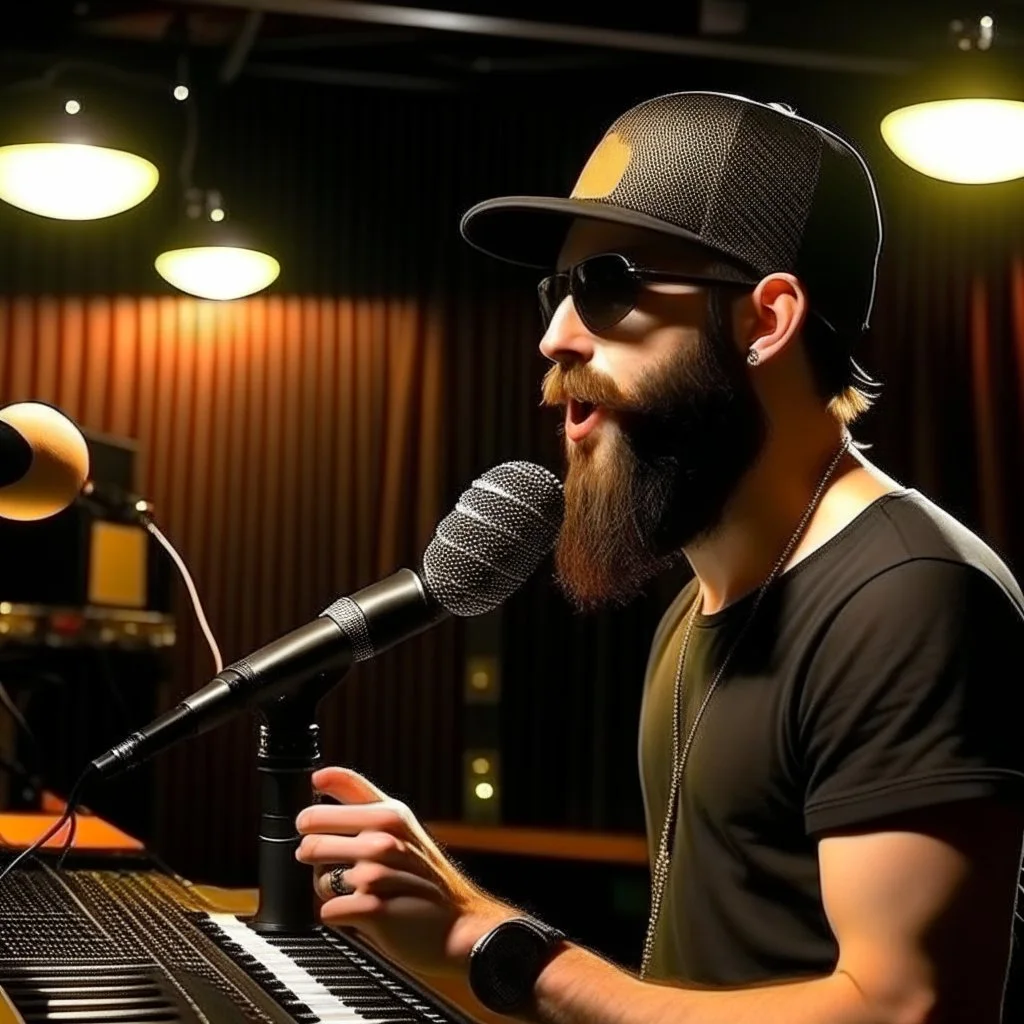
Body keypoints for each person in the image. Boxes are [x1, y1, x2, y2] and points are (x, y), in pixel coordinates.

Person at [294, 91, 1024, 1023]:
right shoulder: (699, 602)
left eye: (605, 287)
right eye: (554, 293)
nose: (555, 336)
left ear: (767, 320)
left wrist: (497, 948)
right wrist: (461, 913)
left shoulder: (910, 598)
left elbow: (902, 1009)